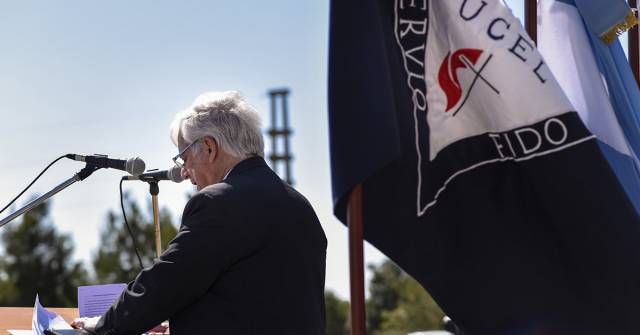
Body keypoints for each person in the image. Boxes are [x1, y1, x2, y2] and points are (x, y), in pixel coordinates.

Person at [73, 91, 327, 334]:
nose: (184, 173)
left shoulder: (220, 202)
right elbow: (258, 301)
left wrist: (103, 326)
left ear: (208, 147)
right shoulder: (299, 205)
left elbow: (167, 283)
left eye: (184, 158)